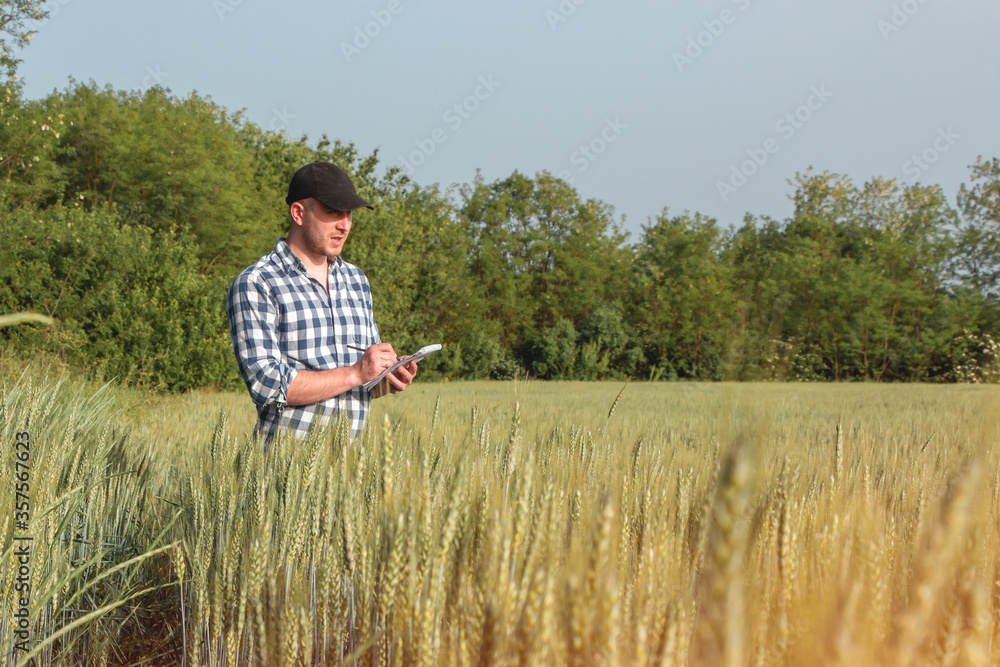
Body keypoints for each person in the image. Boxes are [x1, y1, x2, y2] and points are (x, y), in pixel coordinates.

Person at [226, 161, 417, 442]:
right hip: (283, 470)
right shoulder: (258, 282)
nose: (345, 224)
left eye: (349, 213)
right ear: (298, 213)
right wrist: (356, 373)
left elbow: (361, 381)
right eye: (332, 211)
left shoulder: (357, 280)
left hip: (349, 470)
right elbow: (266, 384)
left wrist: (386, 378)